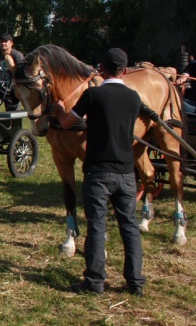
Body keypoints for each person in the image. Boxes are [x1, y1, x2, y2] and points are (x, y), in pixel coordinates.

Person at [54, 48, 145, 297]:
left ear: (101, 68)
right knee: (129, 226)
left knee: (96, 225)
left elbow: (66, 123)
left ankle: (95, 281)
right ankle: (135, 281)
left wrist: (59, 108)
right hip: (126, 171)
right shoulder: (134, 98)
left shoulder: (93, 95)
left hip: (98, 171)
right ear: (125, 71)